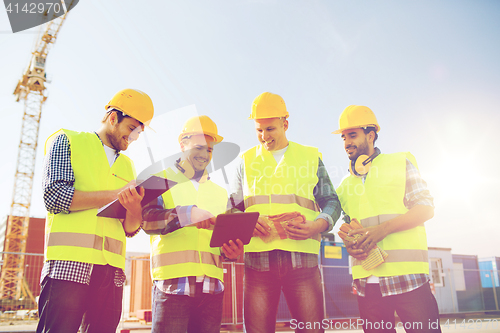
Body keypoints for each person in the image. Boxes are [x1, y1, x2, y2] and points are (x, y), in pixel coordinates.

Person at [37, 88, 154, 333]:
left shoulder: (128, 166)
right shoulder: (67, 140)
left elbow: (129, 230)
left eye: (139, 132)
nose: (134, 137)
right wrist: (117, 195)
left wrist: (134, 209)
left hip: (111, 273)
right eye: (132, 128)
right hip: (69, 264)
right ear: (113, 118)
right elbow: (55, 196)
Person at [228, 92, 341, 333]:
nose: (264, 137)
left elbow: (331, 201)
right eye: (259, 130)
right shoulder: (245, 161)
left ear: (285, 124)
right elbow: (232, 210)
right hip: (258, 262)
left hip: (303, 260)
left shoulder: (310, 158)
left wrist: (317, 225)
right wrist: (244, 222)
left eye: (270, 129)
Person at [333, 105, 441, 333]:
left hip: (408, 279)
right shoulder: (344, 186)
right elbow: (349, 228)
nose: (347, 143)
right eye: (344, 137)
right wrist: (350, 244)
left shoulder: (399, 162)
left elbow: (425, 207)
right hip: (367, 285)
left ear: (370, 135)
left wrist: (383, 229)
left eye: (353, 135)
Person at [141, 115, 244, 333]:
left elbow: (223, 240)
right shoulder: (160, 180)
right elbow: (146, 220)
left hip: (212, 290)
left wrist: (231, 252)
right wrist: (186, 215)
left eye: (210, 149)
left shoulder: (220, 193)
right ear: (182, 145)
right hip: (172, 289)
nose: (204, 154)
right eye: (198, 147)